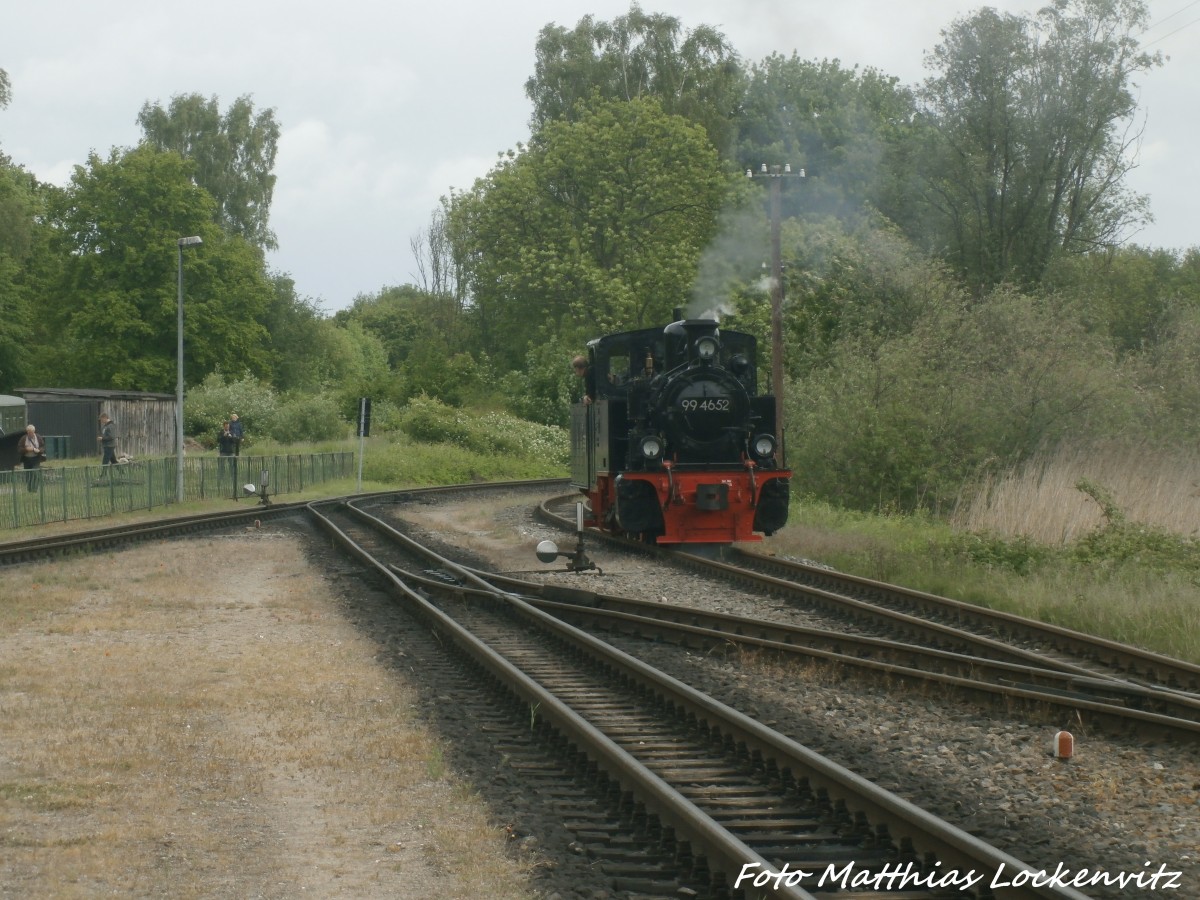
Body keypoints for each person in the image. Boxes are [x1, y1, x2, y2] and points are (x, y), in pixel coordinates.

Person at [16, 424, 45, 492]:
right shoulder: (23, 438)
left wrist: (39, 450)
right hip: (26, 459)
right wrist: (26, 449)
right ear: (27, 432)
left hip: (36, 458)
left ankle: (34, 489)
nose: (30, 434)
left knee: (35, 473)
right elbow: (19, 449)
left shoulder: (39, 437)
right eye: (29, 432)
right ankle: (29, 490)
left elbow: (43, 447)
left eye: (31, 432)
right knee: (28, 474)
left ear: (34, 431)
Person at [217, 421, 238, 493]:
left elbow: (235, 441)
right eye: (226, 426)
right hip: (223, 451)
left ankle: (233, 479)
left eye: (228, 426)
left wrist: (231, 437)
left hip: (231, 452)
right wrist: (224, 436)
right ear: (224, 426)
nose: (227, 427)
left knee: (231, 466)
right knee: (221, 465)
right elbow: (218, 440)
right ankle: (221, 479)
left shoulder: (232, 433)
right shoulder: (220, 432)